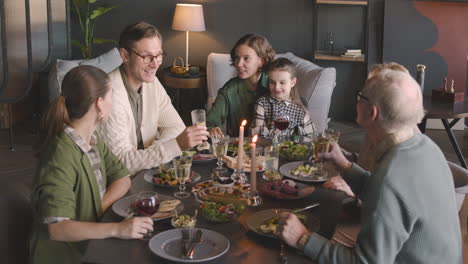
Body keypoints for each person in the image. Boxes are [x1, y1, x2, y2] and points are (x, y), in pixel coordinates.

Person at [277, 69, 462, 263]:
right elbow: (387, 197)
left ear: (371, 112)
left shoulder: (391, 177)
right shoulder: (426, 147)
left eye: (360, 96)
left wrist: (302, 238)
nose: (356, 100)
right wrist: (344, 165)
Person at [30, 66, 154, 264]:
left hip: (90, 243)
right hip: (66, 257)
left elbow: (122, 177)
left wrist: (98, 209)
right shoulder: (61, 154)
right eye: (111, 96)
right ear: (100, 104)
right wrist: (117, 229)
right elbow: (57, 228)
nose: (113, 103)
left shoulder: (92, 140)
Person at [98, 22, 209, 175]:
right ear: (124, 55)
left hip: (146, 173)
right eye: (146, 57)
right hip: (117, 183)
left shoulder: (152, 83)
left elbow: (176, 127)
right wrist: (174, 145)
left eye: (159, 55)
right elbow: (122, 162)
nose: (155, 64)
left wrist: (152, 153)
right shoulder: (110, 95)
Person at [207, 33, 275, 137]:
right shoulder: (229, 90)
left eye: (246, 58)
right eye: (237, 58)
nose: (238, 64)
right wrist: (212, 129)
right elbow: (210, 122)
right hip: (239, 148)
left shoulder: (275, 83)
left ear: (261, 61)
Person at [252, 57, 315, 138]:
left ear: (292, 82)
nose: (277, 87)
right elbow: (258, 133)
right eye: (272, 82)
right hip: (267, 147)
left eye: (282, 82)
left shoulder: (300, 109)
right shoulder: (262, 103)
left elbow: (311, 136)